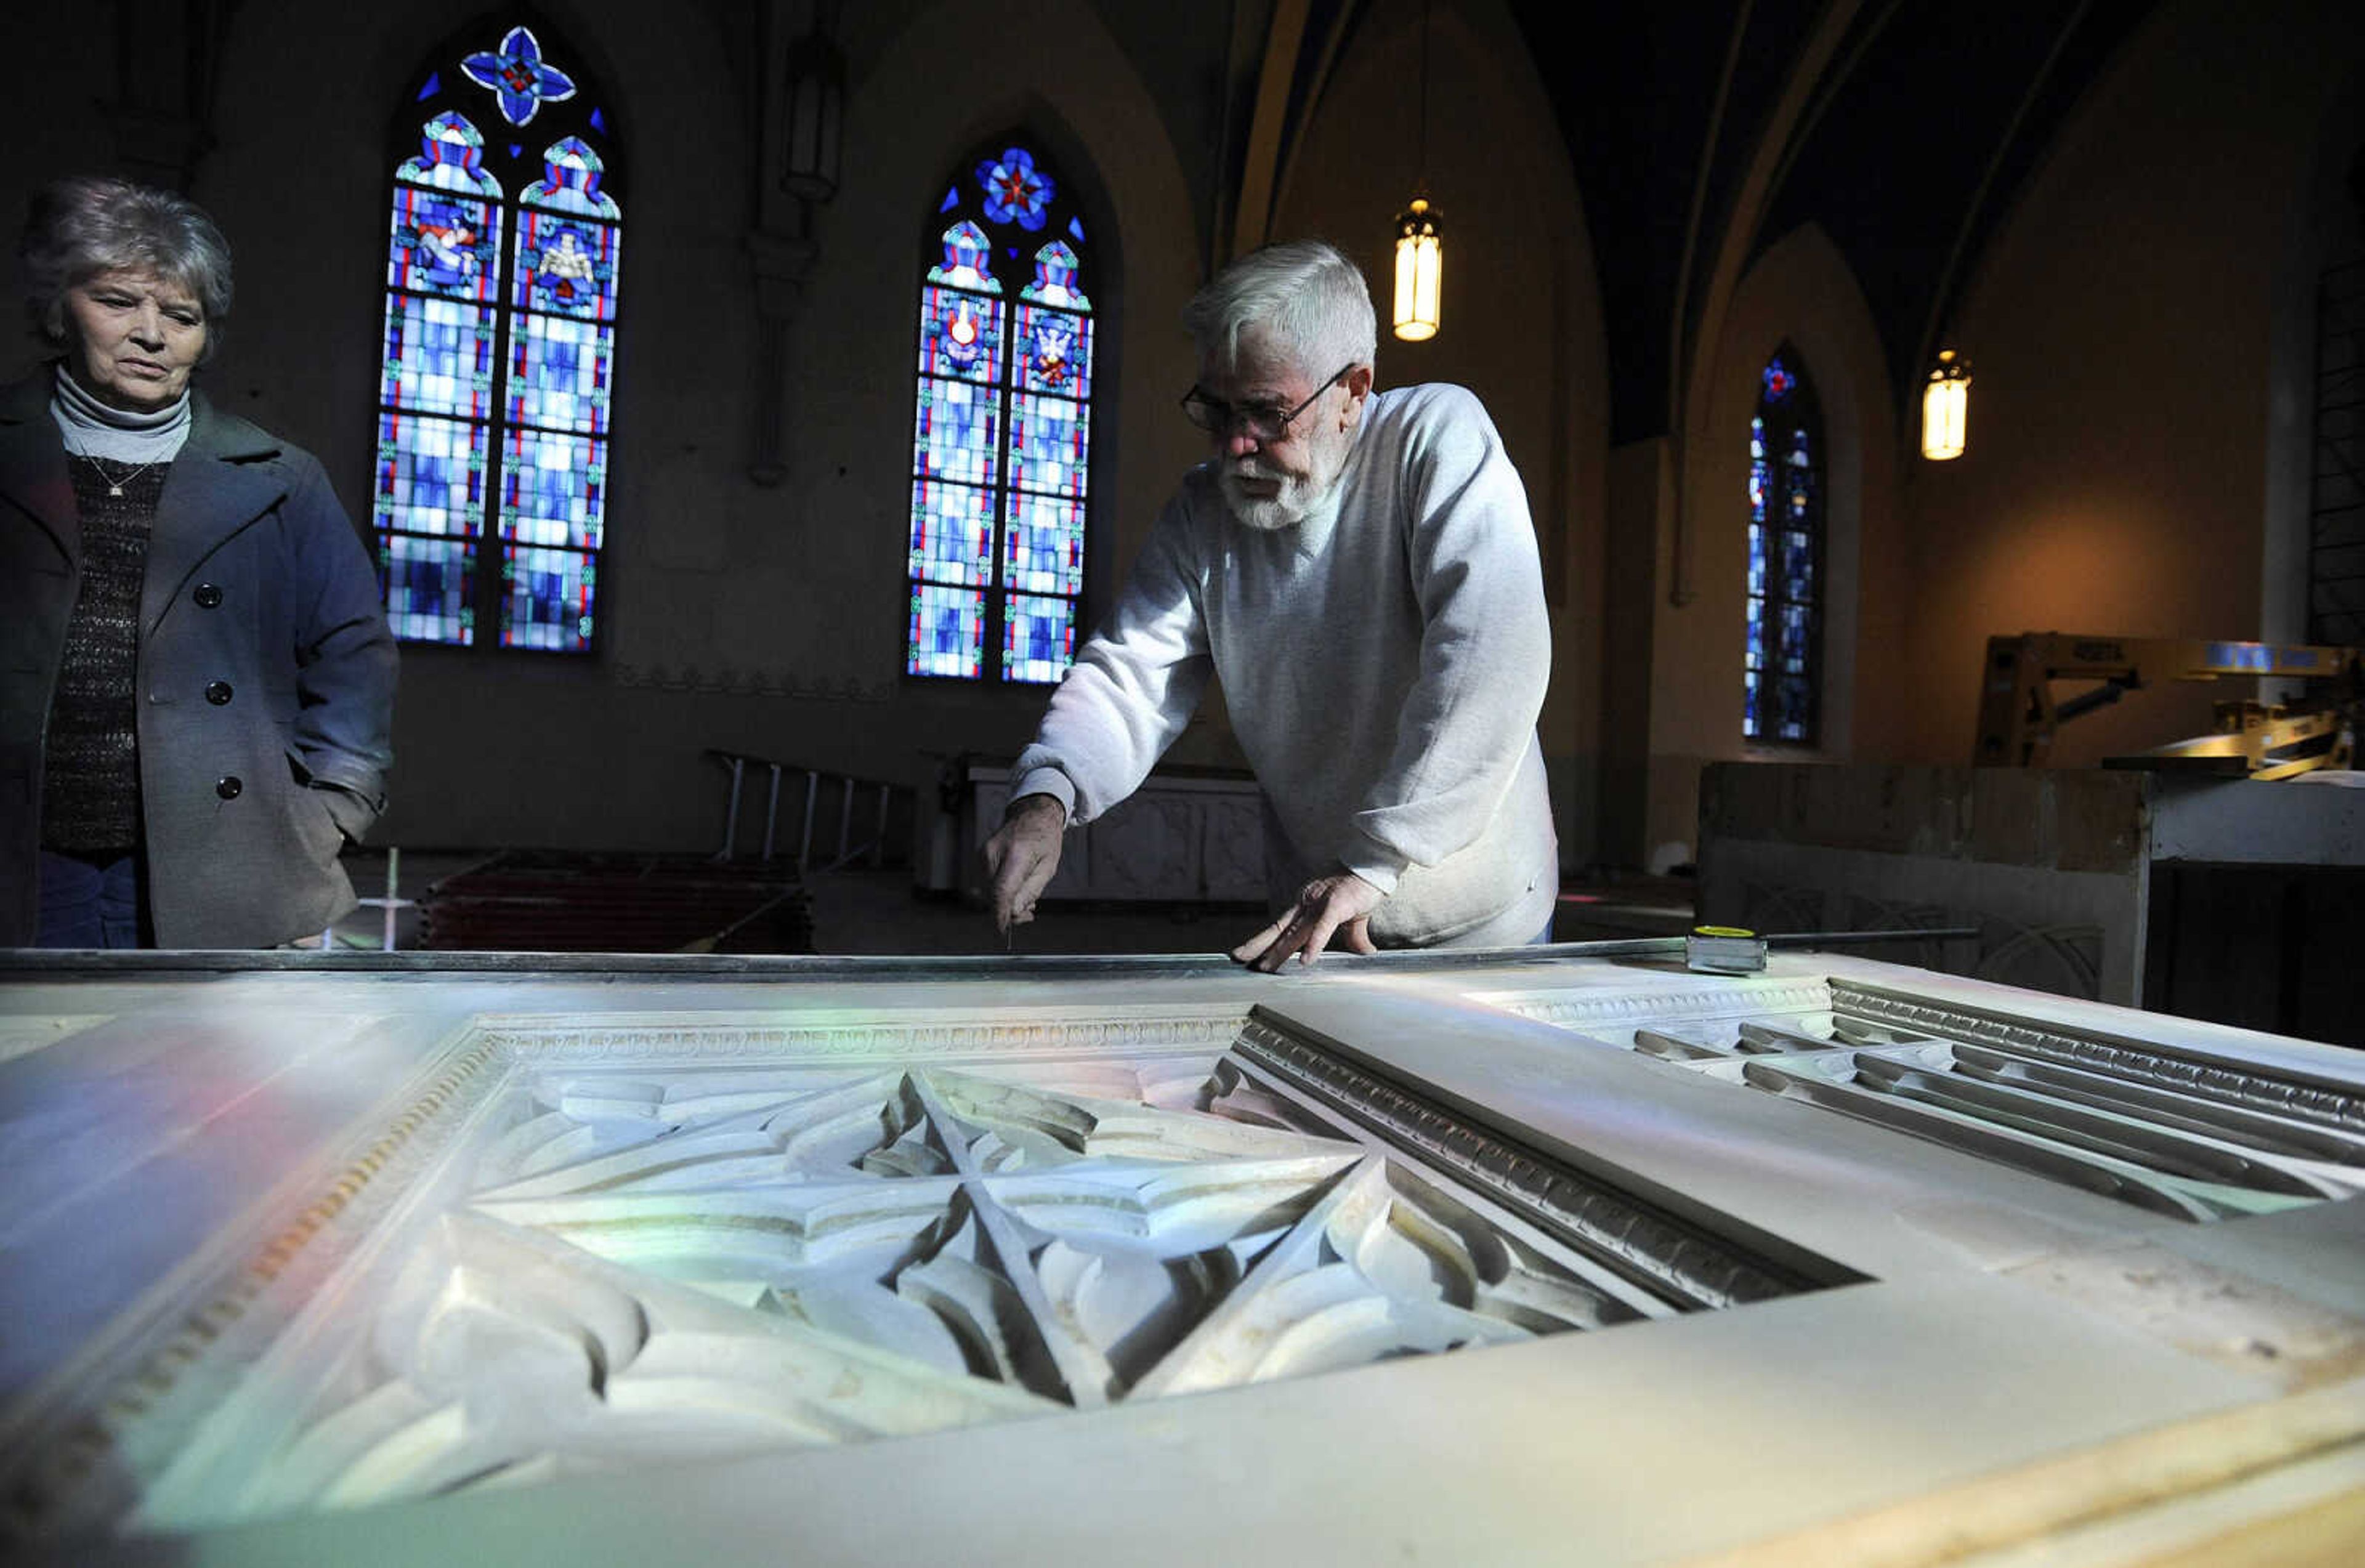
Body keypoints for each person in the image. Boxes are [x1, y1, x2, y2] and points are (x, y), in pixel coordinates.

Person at [985, 240, 1556, 970]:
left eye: (1265, 412)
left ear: (1354, 390)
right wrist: (1049, 792)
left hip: (1484, 921)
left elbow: (1490, 658)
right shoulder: (1203, 513)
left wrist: (1377, 863)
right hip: (1316, 917)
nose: (1235, 445)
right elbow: (1131, 674)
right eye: (1216, 411)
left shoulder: (1435, 440)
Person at [1, 177, 397, 948]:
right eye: (118, 302)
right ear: (59, 307)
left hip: (218, 860)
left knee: (185, 1069)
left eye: (179, 315)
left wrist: (330, 809)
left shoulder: (280, 477)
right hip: (26, 858)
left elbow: (356, 651)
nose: (151, 333)